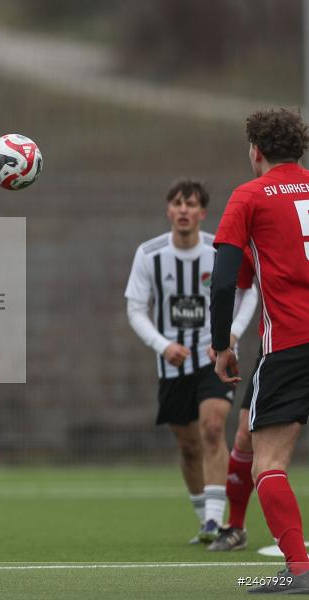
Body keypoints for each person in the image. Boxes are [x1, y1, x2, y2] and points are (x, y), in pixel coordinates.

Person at [125, 179, 257, 546]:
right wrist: (163, 345)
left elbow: (248, 294)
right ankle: (204, 518)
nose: (184, 210)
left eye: (192, 204)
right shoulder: (149, 254)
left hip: (214, 358)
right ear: (168, 210)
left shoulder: (220, 251)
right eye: (177, 203)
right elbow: (136, 309)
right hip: (171, 364)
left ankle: (216, 522)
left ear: (202, 212)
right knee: (187, 445)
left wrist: (230, 335)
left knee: (213, 428)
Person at [212, 107, 309, 593]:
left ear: (256, 151)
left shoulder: (249, 196)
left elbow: (225, 280)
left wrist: (219, 343)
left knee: (268, 464)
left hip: (291, 345)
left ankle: (299, 570)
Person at [207, 254, 259, 552]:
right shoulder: (267, 215)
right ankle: (236, 525)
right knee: (245, 431)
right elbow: (242, 286)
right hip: (284, 348)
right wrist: (226, 341)